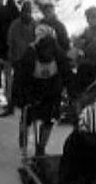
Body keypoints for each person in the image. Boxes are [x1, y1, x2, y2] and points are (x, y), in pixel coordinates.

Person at [16, 25, 72, 156]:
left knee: (49, 119)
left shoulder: (59, 54)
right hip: (33, 88)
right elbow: (20, 78)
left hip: (52, 89)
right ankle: (23, 137)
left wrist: (71, 92)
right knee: (28, 116)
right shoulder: (30, 54)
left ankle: (41, 147)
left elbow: (66, 73)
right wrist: (22, 97)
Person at [0, 0, 36, 117]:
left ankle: (30, 107)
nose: (27, 14)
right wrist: (11, 55)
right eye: (25, 11)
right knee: (15, 84)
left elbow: (37, 40)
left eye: (29, 12)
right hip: (18, 58)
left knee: (30, 85)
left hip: (30, 59)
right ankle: (11, 106)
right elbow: (10, 40)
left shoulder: (34, 24)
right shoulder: (15, 24)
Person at [71, 5, 96, 98]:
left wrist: (83, 48)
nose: (88, 20)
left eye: (90, 18)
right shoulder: (88, 29)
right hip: (85, 62)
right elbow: (79, 40)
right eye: (87, 18)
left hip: (95, 63)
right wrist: (76, 40)